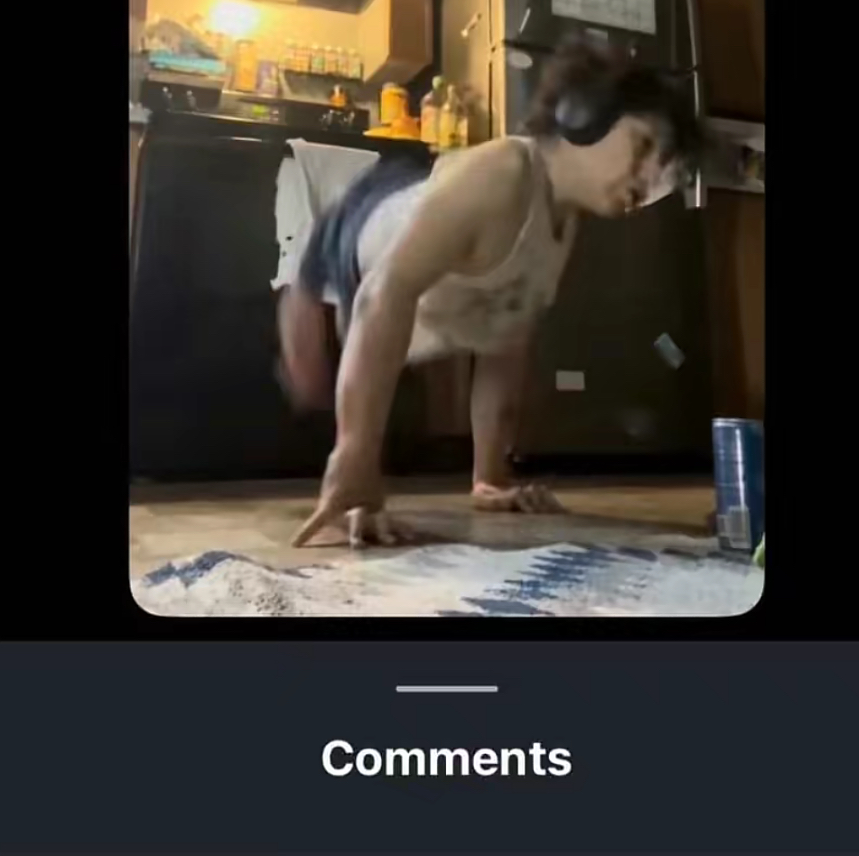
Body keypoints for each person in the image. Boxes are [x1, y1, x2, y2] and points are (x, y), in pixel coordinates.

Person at [278, 37, 703, 548]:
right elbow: (384, 293)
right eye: (643, 146)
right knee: (310, 377)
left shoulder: (565, 223)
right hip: (355, 223)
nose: (652, 177)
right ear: (580, 116)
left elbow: (505, 343)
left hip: (430, 252)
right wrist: (354, 456)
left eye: (664, 165)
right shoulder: (503, 170)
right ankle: (297, 300)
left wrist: (489, 477)